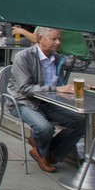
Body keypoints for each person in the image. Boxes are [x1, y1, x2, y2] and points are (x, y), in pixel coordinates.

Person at [8, 26, 88, 173]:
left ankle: (48, 153)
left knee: (80, 121)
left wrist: (87, 87)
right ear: (40, 39)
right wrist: (56, 89)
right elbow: (25, 88)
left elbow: (81, 64)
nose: (58, 43)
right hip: (23, 102)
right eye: (54, 39)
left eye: (60, 39)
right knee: (45, 128)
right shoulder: (23, 57)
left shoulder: (57, 58)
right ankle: (42, 149)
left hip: (48, 102)